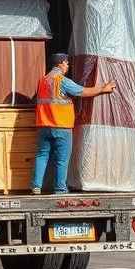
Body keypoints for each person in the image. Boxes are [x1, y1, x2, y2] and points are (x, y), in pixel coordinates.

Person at [31, 53, 116, 195]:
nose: (68, 66)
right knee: (62, 159)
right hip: (61, 126)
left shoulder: (42, 81)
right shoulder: (62, 81)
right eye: (67, 64)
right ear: (61, 63)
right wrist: (103, 89)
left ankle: (36, 186)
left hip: (43, 126)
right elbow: (82, 91)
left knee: (42, 155)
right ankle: (60, 189)